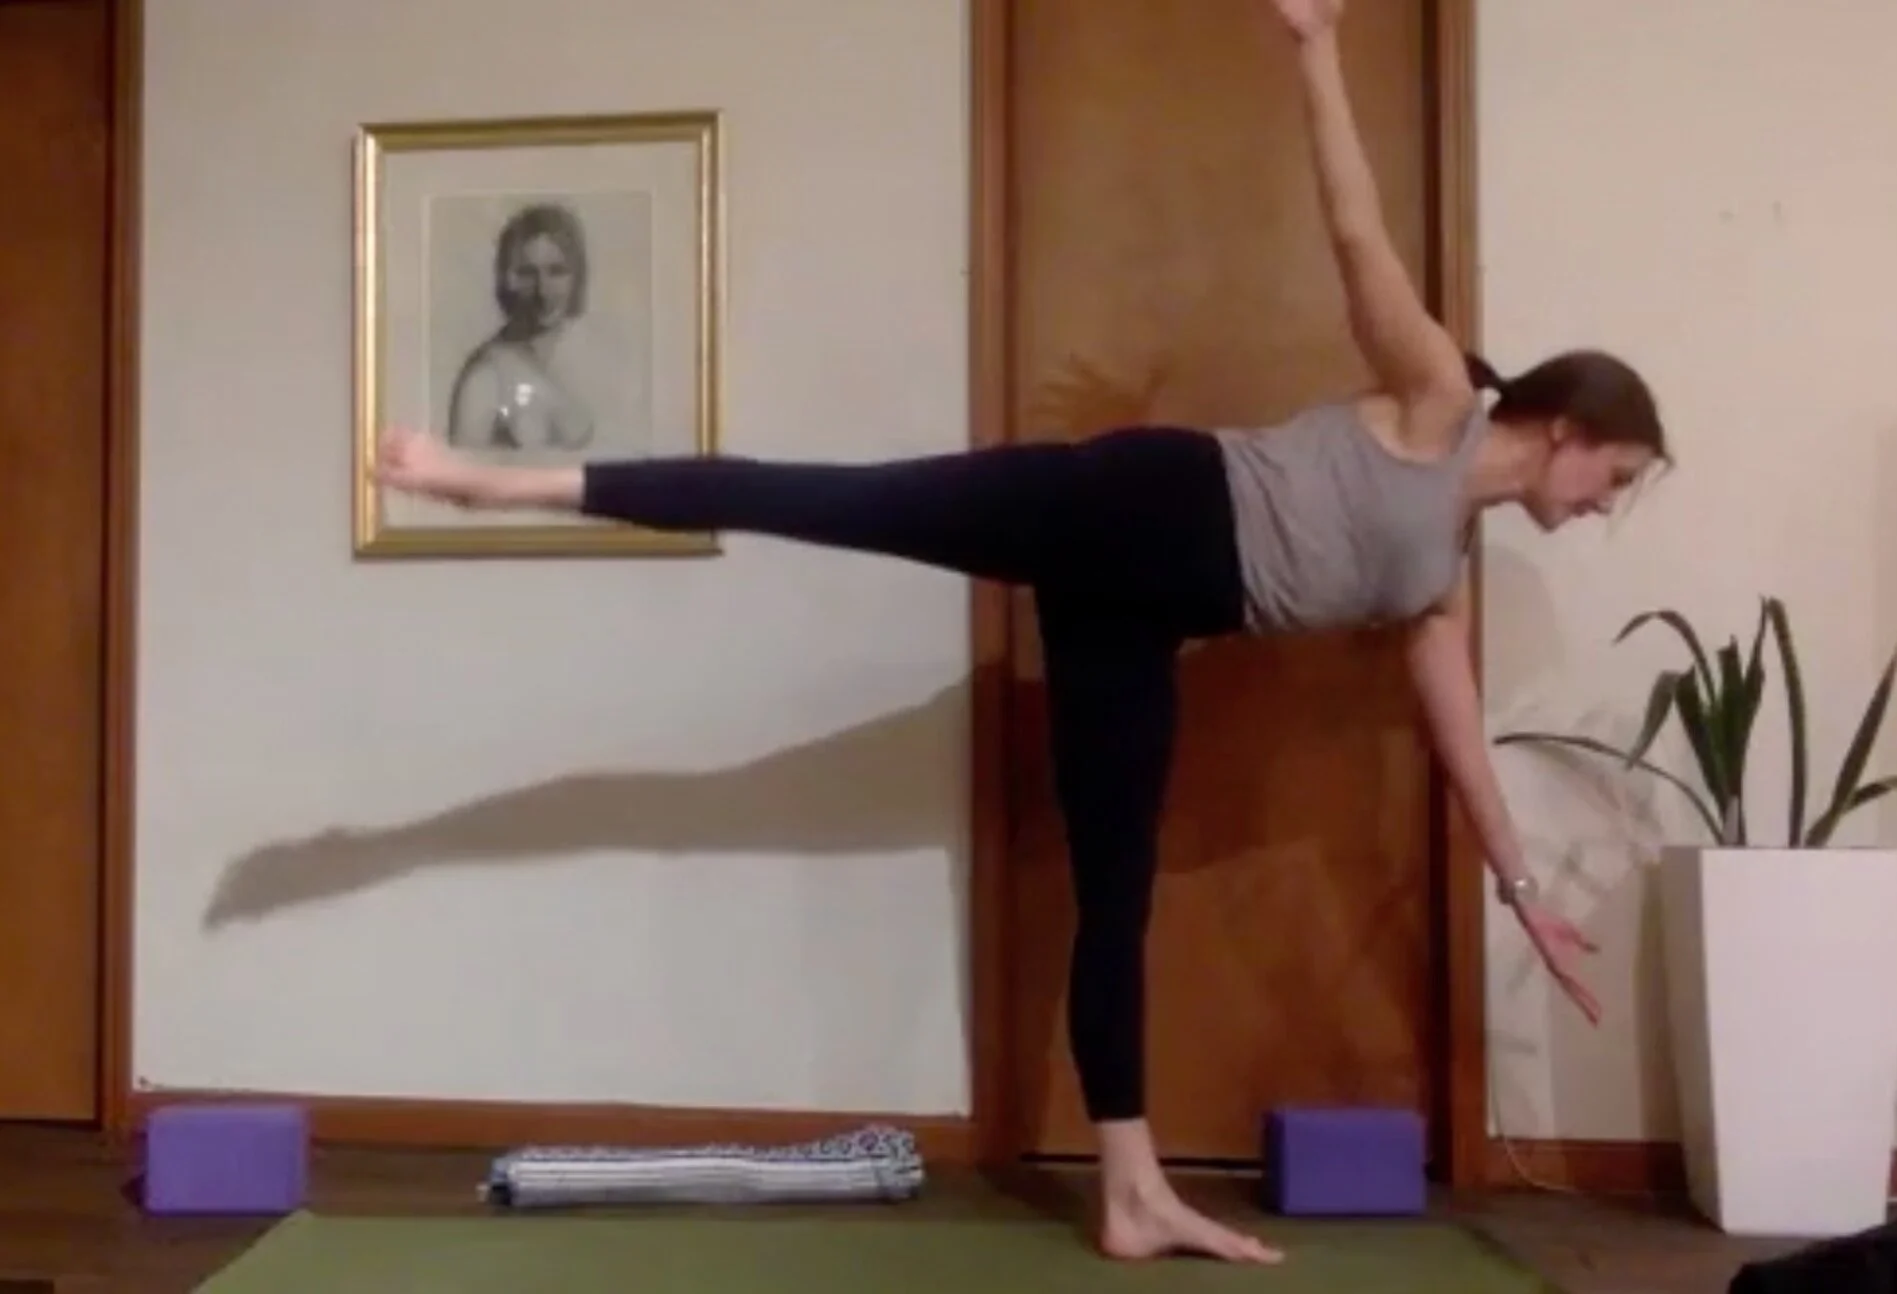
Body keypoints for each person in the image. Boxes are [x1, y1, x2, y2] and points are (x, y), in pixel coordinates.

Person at [372, 0, 1666, 1266]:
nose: (1601, 507)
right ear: (1569, 429)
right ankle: (504, 481)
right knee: (835, 499)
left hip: (1141, 618)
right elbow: (1353, 229)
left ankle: (1132, 1191)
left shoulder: (1440, 573)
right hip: (1134, 499)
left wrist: (1520, 890)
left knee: (1114, 893)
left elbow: (1456, 731)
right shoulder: (1436, 396)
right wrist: (1317, 49)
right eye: (1612, 479)